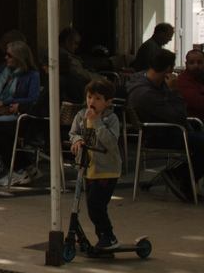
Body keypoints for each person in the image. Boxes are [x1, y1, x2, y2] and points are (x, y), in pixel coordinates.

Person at [126, 49, 203, 202]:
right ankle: (181, 176)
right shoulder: (145, 93)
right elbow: (179, 116)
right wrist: (174, 91)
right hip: (160, 134)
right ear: (168, 68)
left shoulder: (156, 83)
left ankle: (182, 176)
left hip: (171, 130)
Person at [70, 80, 124, 251]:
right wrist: (77, 140)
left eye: (98, 98)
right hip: (88, 168)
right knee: (91, 206)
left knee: (97, 205)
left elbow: (110, 142)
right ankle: (102, 237)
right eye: (89, 97)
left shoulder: (111, 119)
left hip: (107, 170)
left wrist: (97, 122)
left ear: (108, 102)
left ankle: (109, 236)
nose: (92, 102)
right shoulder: (81, 116)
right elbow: (74, 133)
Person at [0, 41, 42, 185]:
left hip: (18, 115)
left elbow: (33, 98)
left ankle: (18, 168)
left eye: (9, 56)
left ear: (19, 57)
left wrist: (6, 102)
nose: (6, 58)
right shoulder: (2, 70)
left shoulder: (32, 75)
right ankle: (25, 166)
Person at [175, 47, 204, 122]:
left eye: (200, 62)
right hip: (195, 123)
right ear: (186, 64)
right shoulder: (182, 80)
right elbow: (199, 103)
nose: (196, 65)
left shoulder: (201, 76)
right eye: (192, 62)